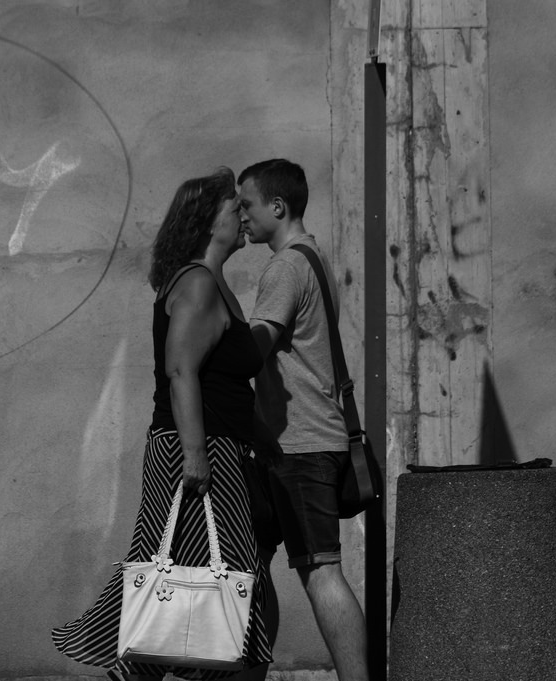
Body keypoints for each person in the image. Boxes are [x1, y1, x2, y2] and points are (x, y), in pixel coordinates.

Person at [52, 168, 274, 680]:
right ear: (208, 221)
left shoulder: (212, 283)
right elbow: (180, 371)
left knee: (180, 583)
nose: (244, 216)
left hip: (214, 449)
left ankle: (142, 671)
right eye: (235, 207)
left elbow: (224, 381)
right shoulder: (198, 283)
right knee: (215, 581)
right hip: (195, 453)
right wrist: (195, 455)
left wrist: (264, 441)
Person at [237, 159, 369, 681]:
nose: (241, 215)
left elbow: (254, 350)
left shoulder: (286, 266)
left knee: (320, 571)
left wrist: (210, 334)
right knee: (251, 567)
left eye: (247, 204)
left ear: (277, 206)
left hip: (301, 445)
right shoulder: (313, 259)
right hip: (288, 444)